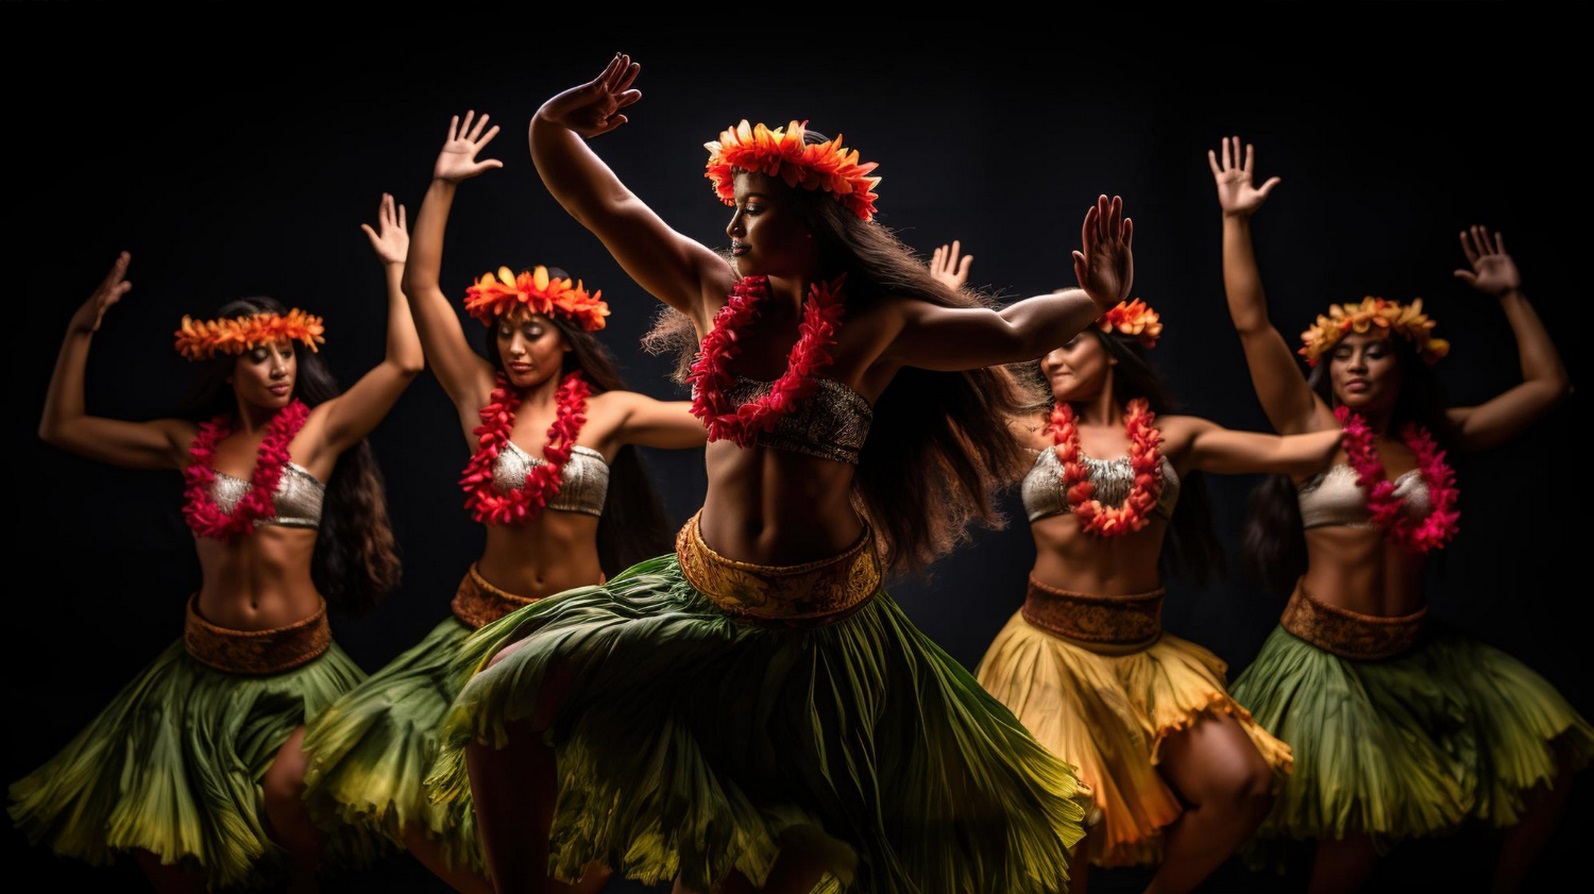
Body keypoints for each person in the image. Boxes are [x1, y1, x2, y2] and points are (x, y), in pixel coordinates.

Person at [426, 52, 1137, 894]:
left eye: (751, 211)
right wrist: (551, 125)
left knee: (761, 870)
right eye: (731, 211)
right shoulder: (709, 289)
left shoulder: (876, 326)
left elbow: (1016, 331)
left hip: (819, 635)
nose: (732, 228)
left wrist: (1094, 299)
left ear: (810, 223)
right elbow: (602, 202)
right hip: (696, 600)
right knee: (507, 698)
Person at [289, 110, 707, 894]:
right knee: (419, 794)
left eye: (534, 333)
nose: (515, 347)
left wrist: (720, 318)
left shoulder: (609, 414)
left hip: (579, 629)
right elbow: (422, 288)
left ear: (566, 339)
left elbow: (714, 418)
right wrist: (442, 187)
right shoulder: (477, 395)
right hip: (478, 624)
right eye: (506, 333)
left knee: (580, 809)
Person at [1208, 134, 1593, 893]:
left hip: (1419, 654)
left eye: (1374, 352)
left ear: (1403, 365)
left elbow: (1549, 388)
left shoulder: (1436, 440)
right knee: (1352, 841)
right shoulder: (1310, 430)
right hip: (1328, 663)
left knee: (1552, 764)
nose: (1355, 364)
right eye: (1343, 353)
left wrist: (1511, 292)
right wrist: (1236, 221)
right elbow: (1253, 324)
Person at [8, 192, 424, 893]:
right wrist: (80, 330)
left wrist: (396, 271)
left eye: (285, 352)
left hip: (300, 672)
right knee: (175, 858)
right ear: (228, 369)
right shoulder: (187, 444)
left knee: (296, 820)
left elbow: (405, 366)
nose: (276, 368)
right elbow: (63, 428)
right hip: (200, 673)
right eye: (257, 358)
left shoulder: (318, 434)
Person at [927, 243, 1336, 894]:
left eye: (1071, 345)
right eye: (1049, 348)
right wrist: (940, 305)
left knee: (1243, 784)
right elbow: (944, 387)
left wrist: (1389, 421)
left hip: (1144, 656)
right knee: (1066, 829)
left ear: (1112, 350)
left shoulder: (1179, 437)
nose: (1052, 356)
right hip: (1050, 656)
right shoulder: (1030, 429)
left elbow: (1302, 449)